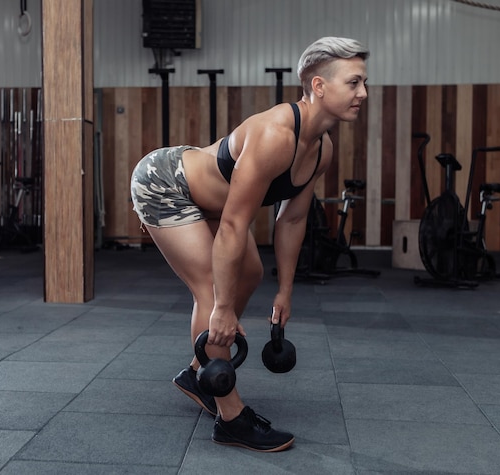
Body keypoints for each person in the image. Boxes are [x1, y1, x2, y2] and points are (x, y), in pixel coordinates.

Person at [130, 36, 369, 452]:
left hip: (204, 192)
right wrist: (222, 308)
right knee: (211, 287)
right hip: (165, 183)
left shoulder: (321, 149)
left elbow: (292, 219)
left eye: (364, 82)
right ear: (318, 86)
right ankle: (231, 417)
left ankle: (196, 374)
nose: (363, 93)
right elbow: (234, 226)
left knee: (252, 273)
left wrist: (286, 291)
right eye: (353, 83)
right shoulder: (275, 134)